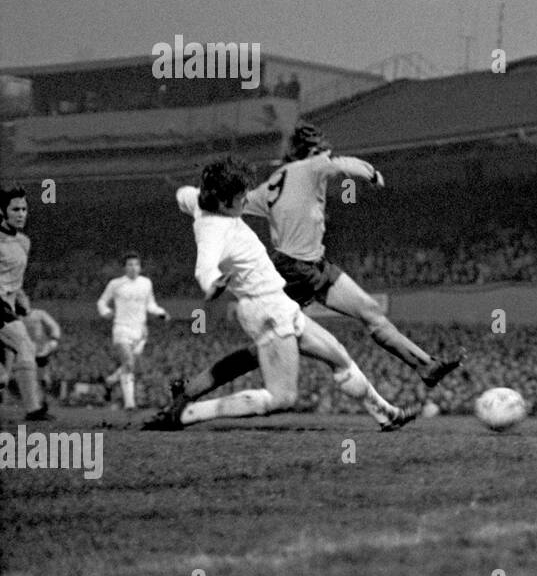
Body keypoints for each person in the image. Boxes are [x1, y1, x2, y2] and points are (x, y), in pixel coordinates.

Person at [165, 123, 463, 410]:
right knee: (263, 350)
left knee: (370, 311)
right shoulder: (310, 167)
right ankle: (190, 391)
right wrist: (371, 173)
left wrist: (198, 199)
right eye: (321, 150)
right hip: (293, 273)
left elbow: (240, 205)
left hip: (314, 266)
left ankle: (426, 366)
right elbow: (341, 163)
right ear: (311, 152)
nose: (326, 155)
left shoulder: (273, 184)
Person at [143, 156, 418, 431]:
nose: (245, 202)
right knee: (282, 397)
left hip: (279, 303)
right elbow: (204, 266)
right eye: (241, 198)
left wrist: (184, 195)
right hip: (265, 311)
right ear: (224, 203)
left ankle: (386, 414)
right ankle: (186, 414)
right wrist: (213, 284)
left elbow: (184, 195)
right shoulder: (213, 230)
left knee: (339, 357)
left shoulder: (201, 202)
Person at [0, 184, 50, 419]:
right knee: (24, 343)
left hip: (8, 306)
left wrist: (21, 298)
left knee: (2, 377)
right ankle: (33, 410)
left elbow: (15, 280)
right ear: (3, 212)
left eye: (24, 209)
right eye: (15, 209)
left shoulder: (23, 242)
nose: (21, 214)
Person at [97, 252, 169, 410]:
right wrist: (105, 311)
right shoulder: (115, 284)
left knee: (129, 364)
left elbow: (150, 304)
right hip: (121, 327)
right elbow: (102, 301)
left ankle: (110, 381)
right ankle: (130, 404)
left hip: (141, 331)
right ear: (124, 267)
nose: (133, 267)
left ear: (140, 267)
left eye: (136, 264)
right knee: (128, 363)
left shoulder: (146, 283)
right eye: (129, 264)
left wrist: (160, 312)